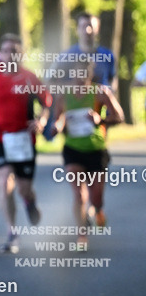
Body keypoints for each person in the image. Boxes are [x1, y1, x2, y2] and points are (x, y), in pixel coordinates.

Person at [0, 34, 51, 253]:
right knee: (4, 181)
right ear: (1, 54)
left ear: (21, 54)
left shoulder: (29, 77)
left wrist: (41, 121)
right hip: (0, 137)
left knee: (23, 189)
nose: (11, 55)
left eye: (15, 51)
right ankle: (12, 233)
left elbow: (46, 103)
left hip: (24, 139)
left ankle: (30, 201)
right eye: (7, 50)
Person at [48, 58, 123, 248]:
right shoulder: (64, 95)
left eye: (84, 74)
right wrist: (57, 127)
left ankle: (97, 209)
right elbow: (60, 118)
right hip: (72, 149)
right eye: (76, 73)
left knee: (96, 196)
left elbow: (119, 116)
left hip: (96, 149)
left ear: (90, 75)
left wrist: (100, 119)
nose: (80, 78)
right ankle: (82, 235)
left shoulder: (100, 93)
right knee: (79, 194)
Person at [62, 13, 116, 89]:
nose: (88, 30)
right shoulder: (66, 56)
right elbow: (52, 82)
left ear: (98, 29)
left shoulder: (108, 56)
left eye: (91, 26)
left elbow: (112, 83)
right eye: (83, 26)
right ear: (77, 30)